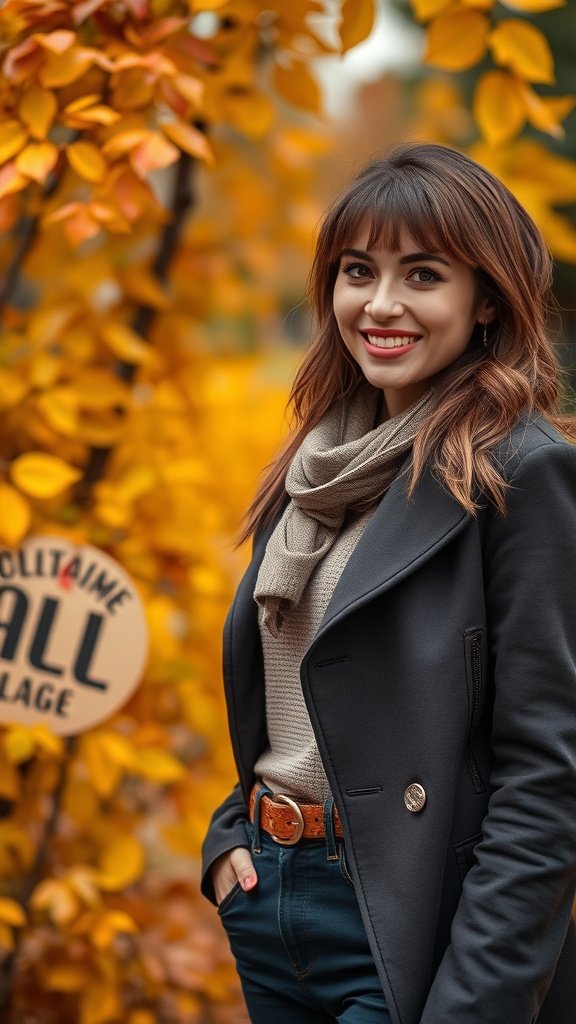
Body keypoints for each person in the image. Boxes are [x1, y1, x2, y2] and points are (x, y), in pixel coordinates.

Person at [200, 142, 576, 1024]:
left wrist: (478, 999)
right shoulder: (318, 465)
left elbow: (550, 776)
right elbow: (286, 691)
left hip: (416, 927)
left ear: (486, 300)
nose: (381, 303)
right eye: (357, 270)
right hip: (274, 903)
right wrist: (232, 839)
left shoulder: (521, 472)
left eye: (423, 274)